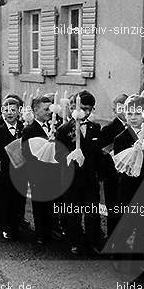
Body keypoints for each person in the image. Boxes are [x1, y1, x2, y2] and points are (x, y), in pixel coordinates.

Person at [109, 94, 144, 274]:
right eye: (129, 113)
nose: (133, 117)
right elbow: (121, 166)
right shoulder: (121, 138)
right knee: (128, 224)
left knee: (143, 226)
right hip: (128, 188)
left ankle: (137, 261)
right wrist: (135, 153)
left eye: (137, 113)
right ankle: (117, 254)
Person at [56, 90, 103, 255]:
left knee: (91, 212)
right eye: (81, 108)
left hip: (90, 178)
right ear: (73, 108)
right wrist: (69, 156)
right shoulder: (63, 130)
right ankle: (74, 241)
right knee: (73, 213)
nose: (85, 112)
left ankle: (93, 240)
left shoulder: (95, 128)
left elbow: (98, 154)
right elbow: (58, 155)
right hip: (71, 179)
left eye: (88, 109)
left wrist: (99, 174)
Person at [21, 95, 63, 244]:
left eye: (51, 109)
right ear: (35, 111)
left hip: (54, 171)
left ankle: (53, 228)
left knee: (53, 201)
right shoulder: (29, 129)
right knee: (40, 204)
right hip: (38, 173)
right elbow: (26, 152)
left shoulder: (56, 127)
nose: (50, 112)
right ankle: (41, 233)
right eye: (46, 109)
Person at [0, 94, 26, 240]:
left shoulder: (24, 129)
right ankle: (3, 225)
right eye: (6, 110)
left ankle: (16, 223)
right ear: (2, 112)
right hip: (3, 171)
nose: (9, 113)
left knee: (18, 199)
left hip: (21, 170)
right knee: (3, 199)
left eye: (13, 110)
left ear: (19, 112)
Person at [99, 93, 128, 245]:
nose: (123, 111)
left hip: (128, 177)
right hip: (113, 176)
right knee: (114, 210)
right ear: (114, 110)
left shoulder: (134, 127)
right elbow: (103, 153)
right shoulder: (109, 129)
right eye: (120, 108)